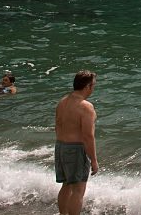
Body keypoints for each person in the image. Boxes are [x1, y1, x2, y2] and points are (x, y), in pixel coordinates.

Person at [55, 70, 98, 215]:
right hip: (75, 150)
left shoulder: (62, 102)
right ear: (87, 87)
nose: (93, 88)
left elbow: (58, 126)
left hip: (60, 146)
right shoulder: (86, 107)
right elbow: (88, 136)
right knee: (78, 190)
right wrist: (94, 161)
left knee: (66, 185)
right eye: (93, 85)